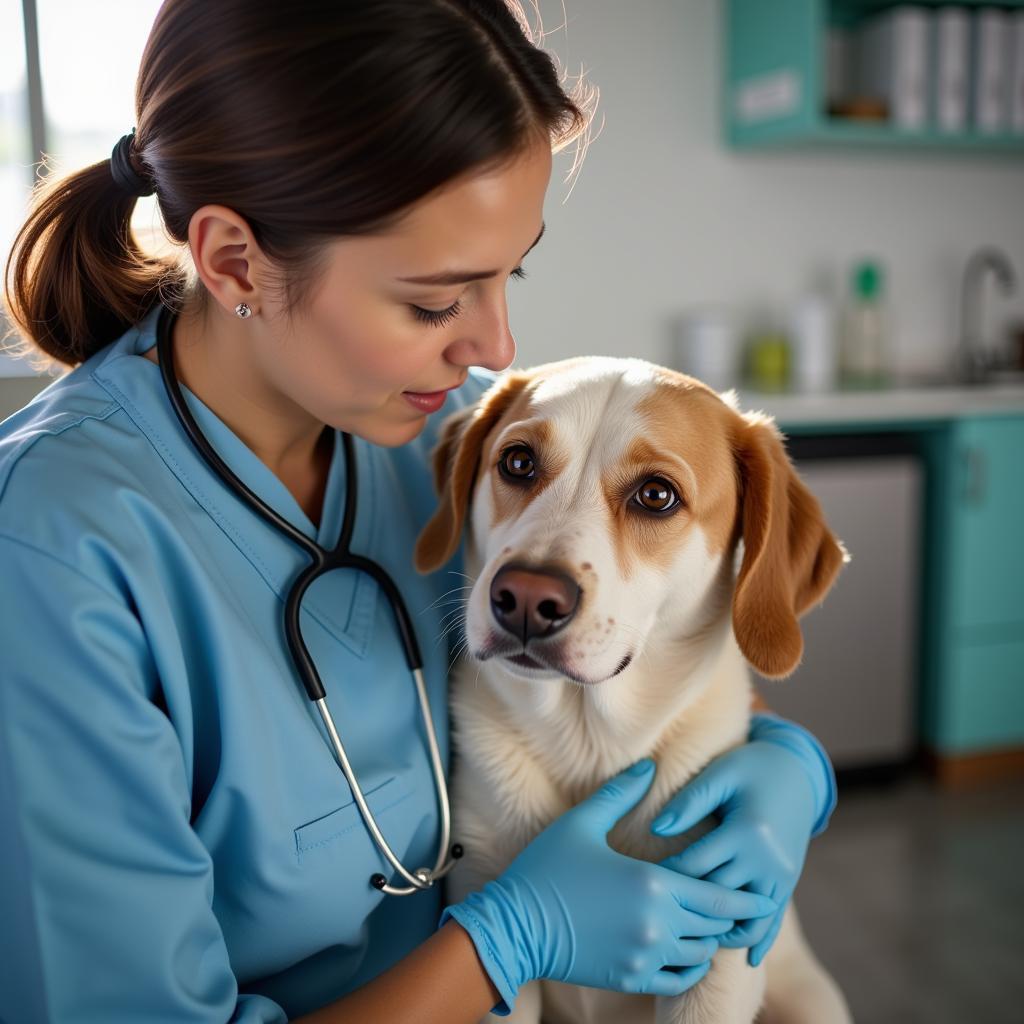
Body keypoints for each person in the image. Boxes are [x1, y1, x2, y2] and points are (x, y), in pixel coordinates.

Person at [0, 2, 837, 1022]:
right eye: (436, 301)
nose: (494, 345)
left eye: (507, 272)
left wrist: (790, 768)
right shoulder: (50, 551)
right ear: (232, 263)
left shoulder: (444, 444)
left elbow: (643, 632)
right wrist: (507, 940)